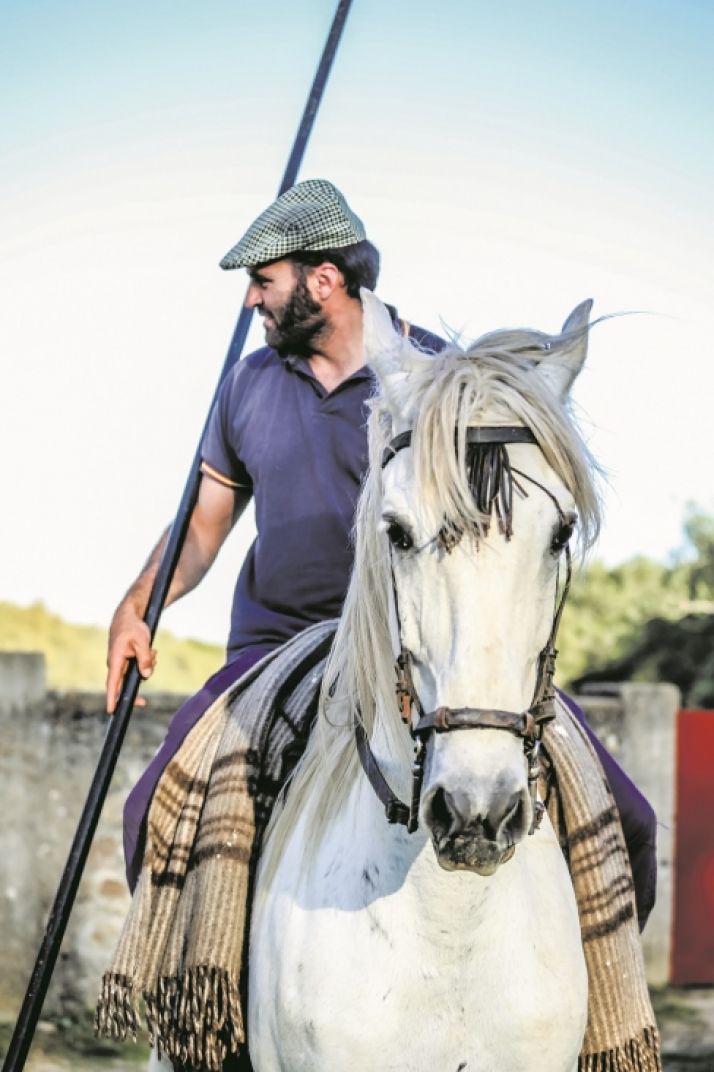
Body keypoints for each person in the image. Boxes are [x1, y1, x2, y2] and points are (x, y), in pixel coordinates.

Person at [107, 178, 656, 928]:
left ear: (324, 280)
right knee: (151, 813)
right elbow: (203, 528)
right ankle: (197, 1022)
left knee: (630, 821)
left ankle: (605, 1028)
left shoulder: (440, 380)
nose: (250, 302)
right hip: (271, 648)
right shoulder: (247, 383)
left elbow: (490, 537)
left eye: (263, 281)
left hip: (417, 650)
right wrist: (137, 607)